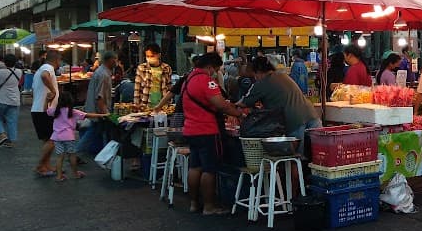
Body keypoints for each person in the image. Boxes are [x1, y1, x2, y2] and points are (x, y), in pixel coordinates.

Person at [240, 56, 321, 192]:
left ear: (258, 72)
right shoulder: (283, 76)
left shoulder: (263, 83)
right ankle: (315, 192)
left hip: (294, 121)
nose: (255, 78)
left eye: (255, 75)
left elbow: (244, 103)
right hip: (312, 116)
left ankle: (293, 198)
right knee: (318, 158)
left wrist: (230, 105)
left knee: (294, 159)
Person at [182, 53, 242, 215]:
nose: (216, 73)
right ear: (209, 67)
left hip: (190, 129)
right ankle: (209, 206)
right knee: (209, 169)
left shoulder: (188, 79)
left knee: (195, 167)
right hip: (207, 130)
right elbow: (221, 105)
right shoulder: (206, 81)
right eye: (215, 69)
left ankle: (194, 203)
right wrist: (238, 113)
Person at [47, 92, 108, 181]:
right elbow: (87, 115)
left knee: (60, 157)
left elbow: (47, 110)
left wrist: (48, 100)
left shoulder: (55, 111)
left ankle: (59, 176)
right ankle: (75, 174)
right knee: (72, 155)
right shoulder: (73, 111)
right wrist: (103, 115)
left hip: (56, 137)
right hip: (68, 137)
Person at [77, 51, 117, 155]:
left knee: (95, 132)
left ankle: (98, 152)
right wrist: (105, 113)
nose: (116, 62)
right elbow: (100, 97)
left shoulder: (102, 72)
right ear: (110, 60)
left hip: (95, 109)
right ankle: (75, 153)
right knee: (92, 132)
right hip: (97, 111)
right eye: (115, 59)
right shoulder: (104, 75)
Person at [31, 50, 61, 177]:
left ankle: (46, 166)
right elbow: (45, 76)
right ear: (57, 60)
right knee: (52, 140)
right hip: (43, 111)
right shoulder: (47, 68)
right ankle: (39, 166)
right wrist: (53, 90)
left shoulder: (40, 69)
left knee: (47, 140)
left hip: (40, 109)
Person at [134, 44, 173, 108]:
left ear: (159, 55)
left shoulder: (166, 68)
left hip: (163, 105)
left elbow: (169, 86)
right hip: (146, 105)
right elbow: (137, 89)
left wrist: (169, 102)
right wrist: (136, 105)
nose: (149, 58)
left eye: (152, 56)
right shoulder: (141, 68)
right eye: (147, 56)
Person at [0, 54, 23, 149]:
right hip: (14, 99)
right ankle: (10, 141)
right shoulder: (19, 72)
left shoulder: (0, 72)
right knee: (12, 121)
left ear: (4, 62)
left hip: (1, 99)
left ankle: (2, 134)